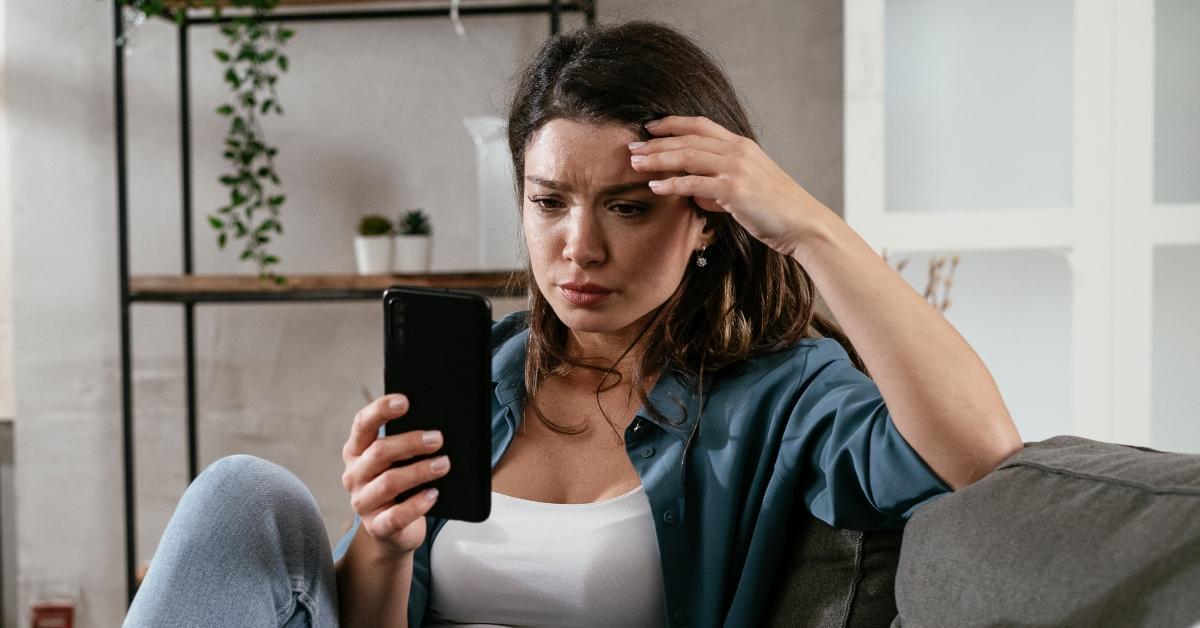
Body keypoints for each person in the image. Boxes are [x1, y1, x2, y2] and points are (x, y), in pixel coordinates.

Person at [124, 20, 1023, 628]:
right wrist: (389, 544)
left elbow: (979, 449)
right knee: (243, 493)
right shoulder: (483, 372)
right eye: (549, 202)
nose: (578, 248)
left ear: (707, 215)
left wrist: (808, 223)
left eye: (628, 208)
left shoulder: (780, 393)